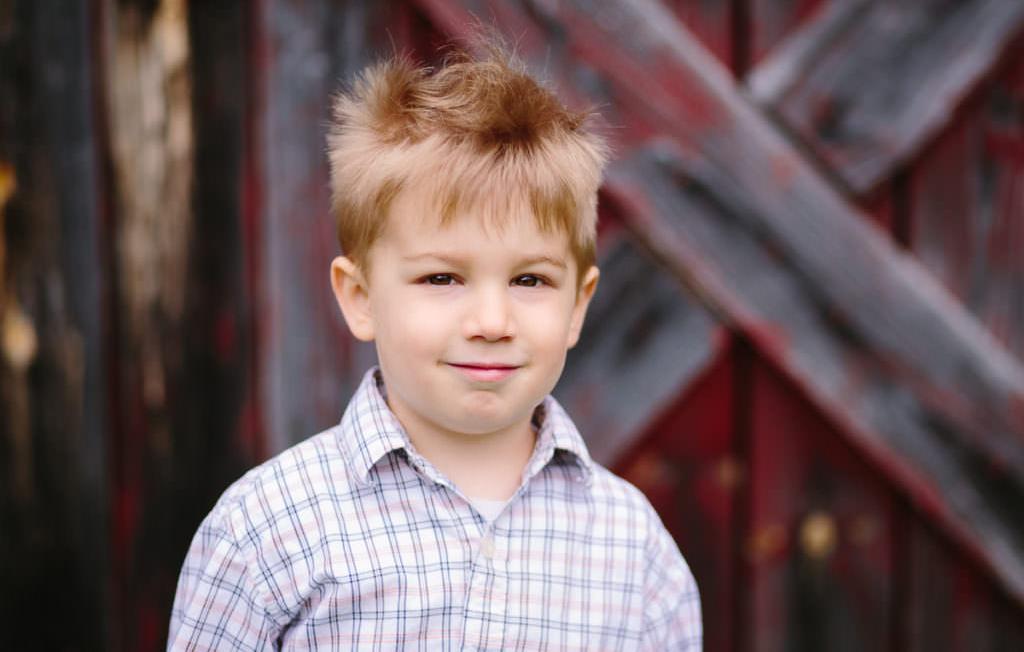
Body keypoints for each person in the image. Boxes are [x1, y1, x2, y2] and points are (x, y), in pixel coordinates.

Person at [168, 42, 702, 650]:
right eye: (442, 278)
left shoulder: (635, 551)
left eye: (530, 280)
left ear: (577, 305)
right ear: (361, 296)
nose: (492, 320)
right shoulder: (265, 531)